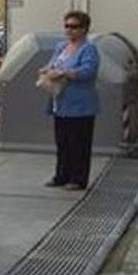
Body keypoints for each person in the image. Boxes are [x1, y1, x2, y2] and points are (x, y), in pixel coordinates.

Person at [40, 10, 100, 191]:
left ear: (84, 29)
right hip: (61, 103)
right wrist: (45, 70)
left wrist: (63, 72)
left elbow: (88, 71)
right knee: (63, 142)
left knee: (79, 143)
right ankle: (61, 175)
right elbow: (52, 64)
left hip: (80, 105)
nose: (69, 30)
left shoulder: (88, 49)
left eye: (74, 27)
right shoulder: (61, 47)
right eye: (67, 26)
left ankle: (78, 178)